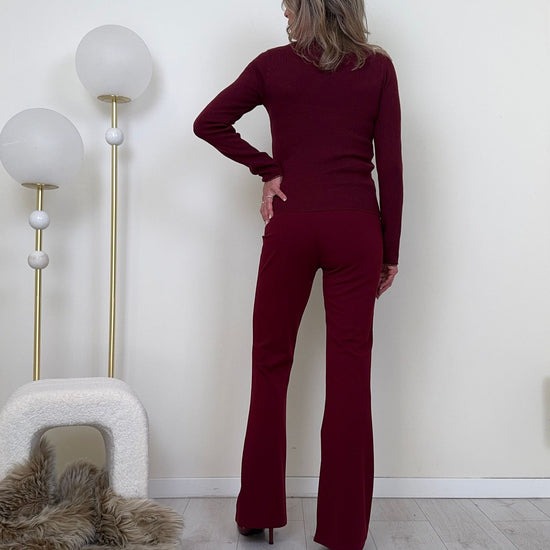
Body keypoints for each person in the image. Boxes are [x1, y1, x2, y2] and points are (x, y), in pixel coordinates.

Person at [193, 0, 403, 548]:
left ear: (310, 8)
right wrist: (390, 249)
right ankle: (344, 530)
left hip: (292, 224)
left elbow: (208, 122)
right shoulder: (378, 68)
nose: (284, 15)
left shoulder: (272, 65)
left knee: (270, 363)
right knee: (351, 374)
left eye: (289, 6)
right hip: (357, 228)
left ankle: (259, 511)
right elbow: (391, 164)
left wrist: (270, 170)